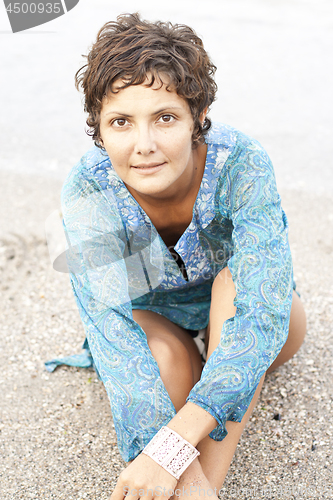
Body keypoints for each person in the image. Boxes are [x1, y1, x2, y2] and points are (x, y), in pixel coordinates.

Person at [61, 12, 306, 499]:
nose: (144, 146)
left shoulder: (242, 163)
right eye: (121, 122)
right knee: (161, 359)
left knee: (233, 290)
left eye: (165, 118)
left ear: (198, 116)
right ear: (99, 129)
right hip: (156, 318)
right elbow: (113, 333)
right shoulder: (89, 188)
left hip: (250, 315)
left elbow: (260, 311)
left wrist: (171, 450)